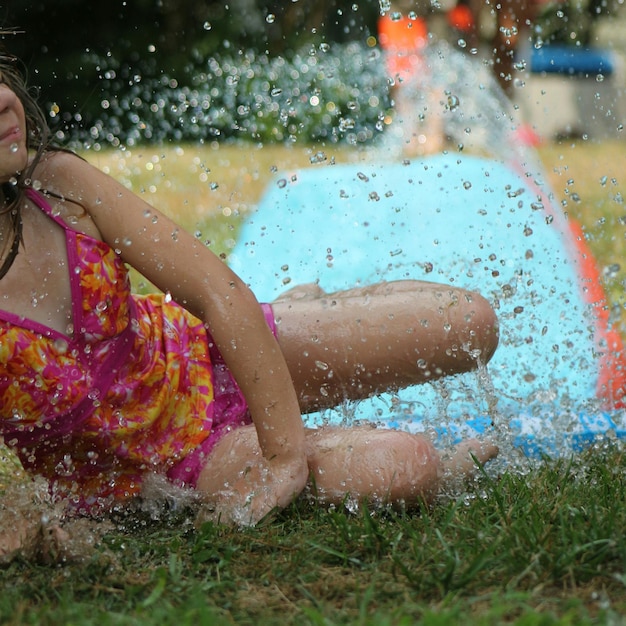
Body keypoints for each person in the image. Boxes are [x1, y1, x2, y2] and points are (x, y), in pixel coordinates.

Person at [0, 49, 499, 559]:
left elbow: (218, 292)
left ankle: (302, 308)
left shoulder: (57, 186)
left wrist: (284, 456)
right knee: (407, 466)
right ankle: (436, 461)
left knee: (470, 323)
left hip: (209, 353)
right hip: (182, 464)